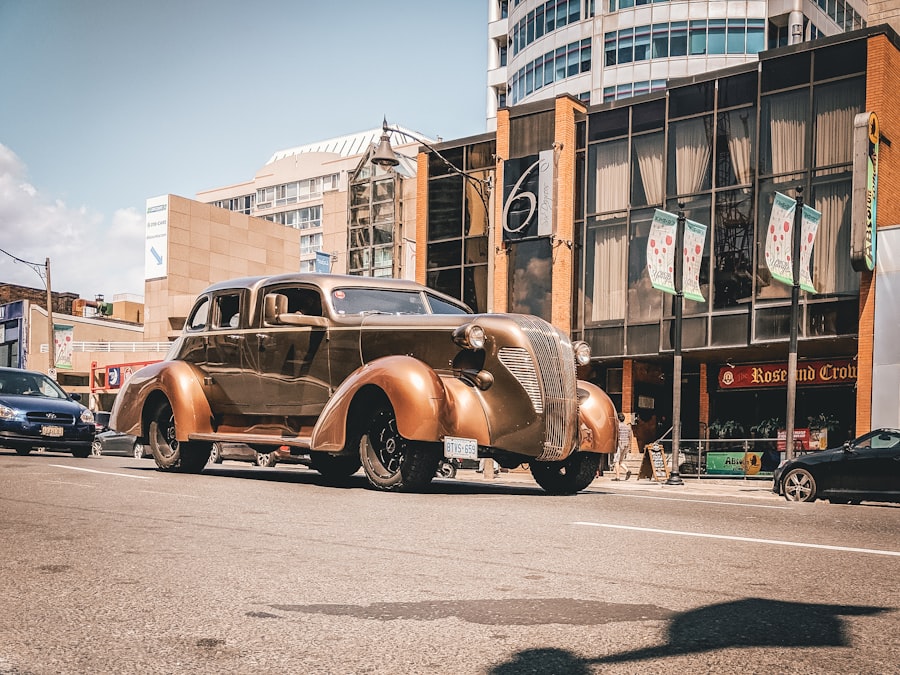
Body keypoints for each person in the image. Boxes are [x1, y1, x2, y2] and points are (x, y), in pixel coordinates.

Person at [613, 412, 632, 481]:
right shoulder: (627, 427)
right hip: (626, 445)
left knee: (616, 461)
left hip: (619, 445)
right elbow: (630, 437)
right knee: (620, 460)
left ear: (618, 419)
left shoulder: (617, 427)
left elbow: (616, 436)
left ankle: (617, 477)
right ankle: (627, 470)